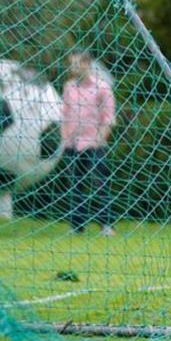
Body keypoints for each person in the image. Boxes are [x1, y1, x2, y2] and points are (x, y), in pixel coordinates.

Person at [61, 51, 117, 236]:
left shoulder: (102, 88)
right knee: (75, 186)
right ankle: (77, 227)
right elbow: (65, 114)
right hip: (72, 144)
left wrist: (100, 138)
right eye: (71, 64)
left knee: (99, 184)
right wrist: (64, 137)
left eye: (76, 63)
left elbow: (109, 118)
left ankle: (106, 226)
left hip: (94, 144)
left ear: (87, 64)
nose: (73, 68)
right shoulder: (69, 87)